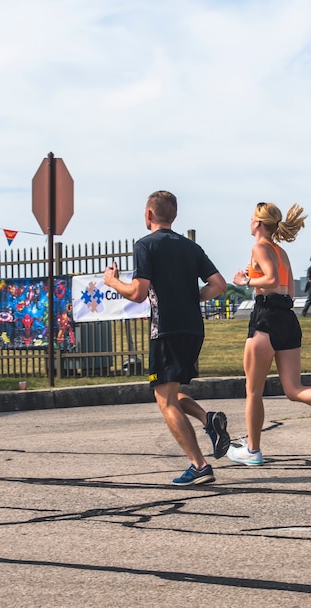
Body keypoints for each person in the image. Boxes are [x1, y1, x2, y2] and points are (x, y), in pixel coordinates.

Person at [103, 190, 230, 486]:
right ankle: (207, 419)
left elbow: (137, 293)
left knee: (164, 399)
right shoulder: (190, 247)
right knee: (169, 391)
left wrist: (112, 282)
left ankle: (199, 466)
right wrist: (192, 298)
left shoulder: (146, 245)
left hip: (167, 329)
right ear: (173, 216)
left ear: (148, 214)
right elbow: (219, 284)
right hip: (193, 329)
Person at [228, 202, 311, 466]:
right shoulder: (281, 251)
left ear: (259, 224)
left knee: (253, 390)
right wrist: (257, 276)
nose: (249, 221)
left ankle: (252, 450)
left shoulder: (259, 247)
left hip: (265, 319)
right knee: (294, 388)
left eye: (252, 217)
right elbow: (289, 292)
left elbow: (272, 281)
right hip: (287, 319)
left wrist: (246, 281)